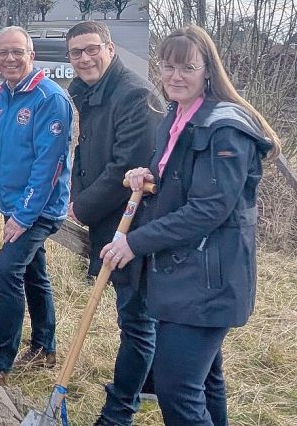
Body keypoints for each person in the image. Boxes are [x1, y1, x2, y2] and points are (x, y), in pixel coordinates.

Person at [102, 25, 281, 426]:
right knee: (205, 383)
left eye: (186, 67)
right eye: (167, 67)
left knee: (177, 391)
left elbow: (209, 209)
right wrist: (145, 176)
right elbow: (178, 178)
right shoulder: (179, 115)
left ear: (207, 70)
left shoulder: (225, 129)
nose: (174, 76)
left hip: (208, 280)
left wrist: (136, 243)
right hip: (184, 274)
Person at [65, 21, 162, 426]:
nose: (84, 59)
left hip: (136, 223)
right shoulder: (89, 92)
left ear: (109, 47)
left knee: (136, 318)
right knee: (137, 312)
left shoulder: (135, 95)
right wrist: (75, 194)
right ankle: (152, 386)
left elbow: (125, 164)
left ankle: (120, 409)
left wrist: (80, 208)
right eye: (76, 53)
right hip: (111, 217)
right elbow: (87, 153)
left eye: (92, 49)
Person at [0, 26, 72, 383]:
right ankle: (44, 346)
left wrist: (22, 216)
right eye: (3, 53)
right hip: (13, 203)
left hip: (37, 209)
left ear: (31, 55)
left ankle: (0, 363)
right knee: (34, 273)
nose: (10, 59)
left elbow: (48, 165)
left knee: (8, 271)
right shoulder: (4, 96)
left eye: (17, 52)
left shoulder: (49, 98)